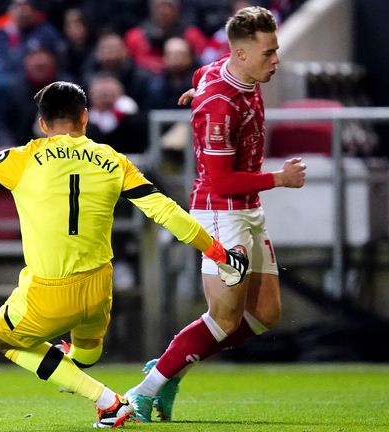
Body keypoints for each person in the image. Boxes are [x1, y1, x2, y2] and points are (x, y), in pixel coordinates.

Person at [0, 81, 249, 428]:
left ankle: (109, 402)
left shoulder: (21, 159)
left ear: (42, 124)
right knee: (86, 354)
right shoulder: (114, 160)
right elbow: (166, 212)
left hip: (48, 293)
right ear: (85, 117)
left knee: (2, 338)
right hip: (99, 289)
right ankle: (70, 365)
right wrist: (220, 254)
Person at [125, 6, 307, 423]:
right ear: (241, 55)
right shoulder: (220, 106)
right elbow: (223, 181)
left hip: (247, 211)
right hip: (220, 215)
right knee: (224, 317)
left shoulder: (227, 71)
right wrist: (279, 178)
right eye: (268, 53)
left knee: (265, 315)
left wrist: (195, 91)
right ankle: (143, 391)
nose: (276, 60)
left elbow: (200, 75)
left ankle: (169, 369)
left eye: (275, 50)